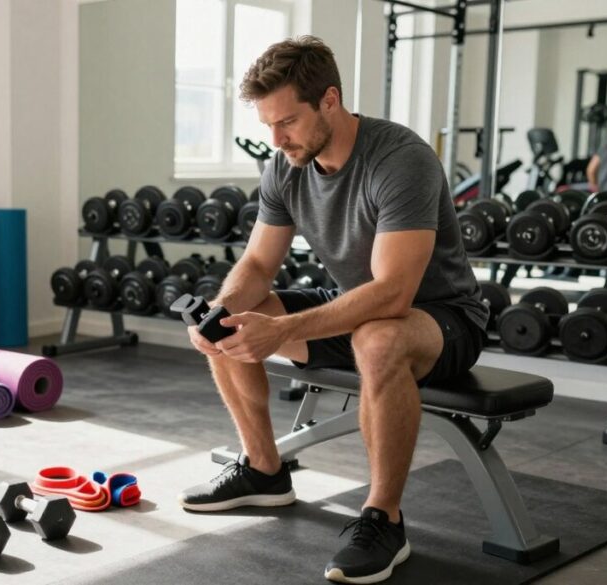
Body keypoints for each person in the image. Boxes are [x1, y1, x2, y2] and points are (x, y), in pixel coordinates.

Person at [176, 36, 487, 584]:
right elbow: (256, 264)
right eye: (268, 125)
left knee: (379, 338)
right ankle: (265, 471)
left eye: (287, 122)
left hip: (441, 319)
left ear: (329, 100)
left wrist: (284, 330)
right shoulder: (286, 164)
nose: (276, 139)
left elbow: (393, 293)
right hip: (357, 310)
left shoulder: (400, 160)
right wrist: (219, 312)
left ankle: (383, 519)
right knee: (231, 322)